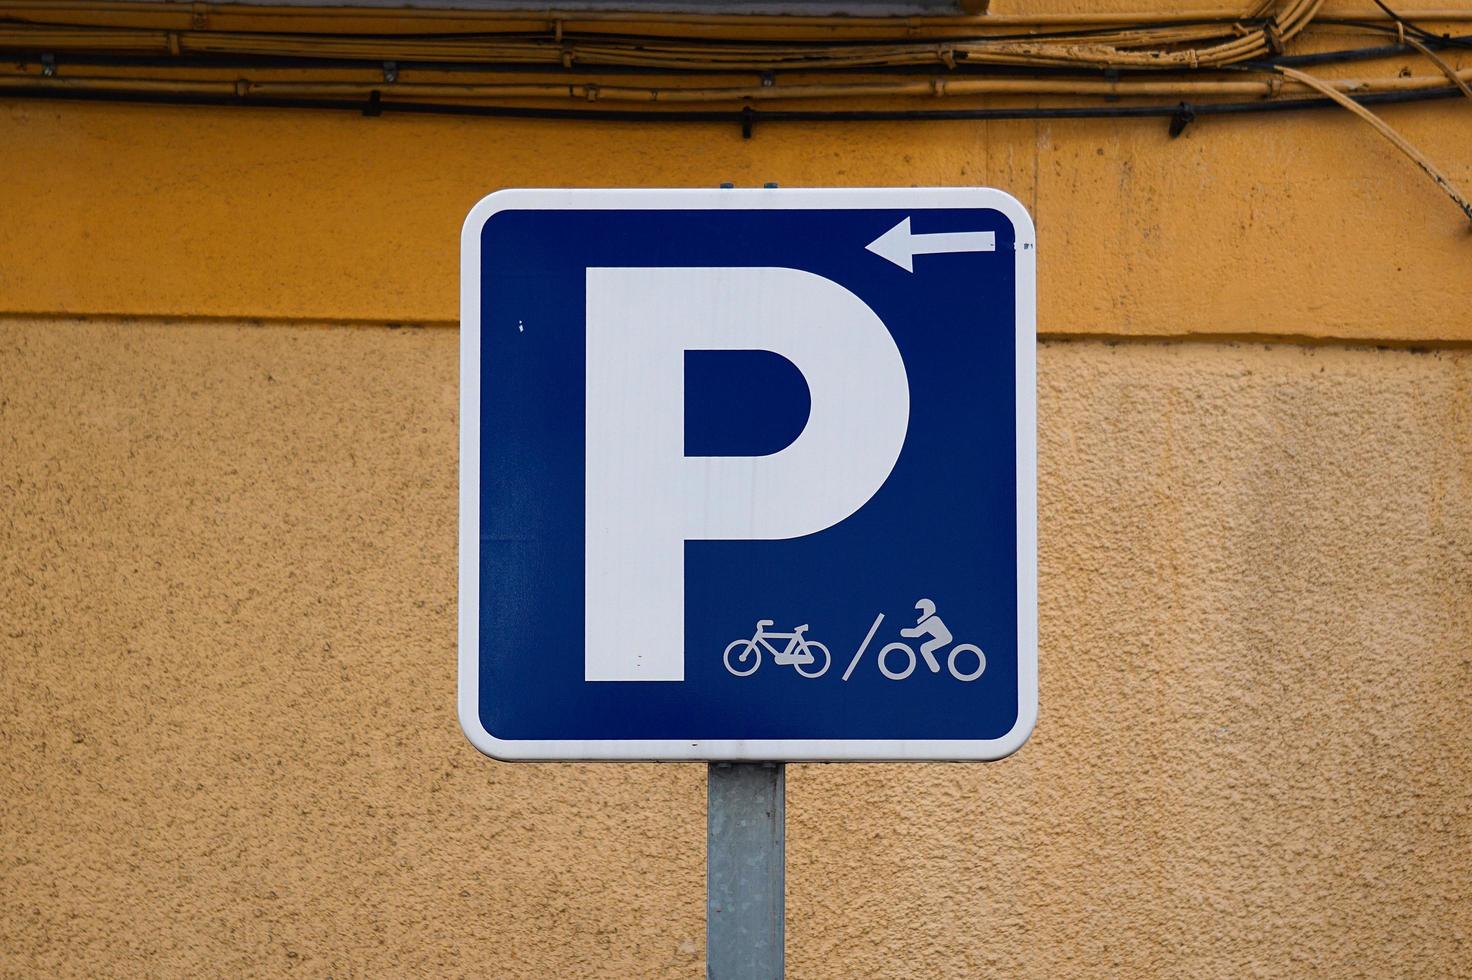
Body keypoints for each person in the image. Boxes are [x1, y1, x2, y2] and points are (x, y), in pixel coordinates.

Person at [900, 598, 951, 672]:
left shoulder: (932, 620)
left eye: (922, 611)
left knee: (924, 648)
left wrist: (903, 632)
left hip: (944, 639)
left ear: (927, 611)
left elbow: (916, 633)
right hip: (942, 638)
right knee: (925, 647)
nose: (920, 614)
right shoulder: (931, 620)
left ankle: (935, 668)